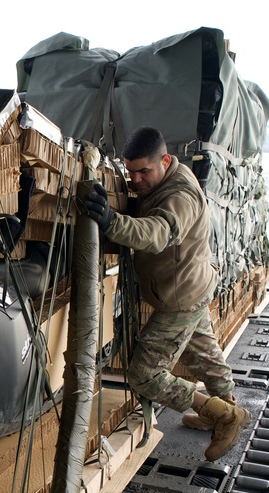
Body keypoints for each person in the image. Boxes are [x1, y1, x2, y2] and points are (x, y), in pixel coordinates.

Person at [83, 126, 250, 461]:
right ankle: (227, 411)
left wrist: (111, 221)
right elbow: (146, 210)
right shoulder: (163, 182)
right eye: (131, 172)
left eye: (144, 171)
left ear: (166, 160)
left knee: (145, 375)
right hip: (191, 286)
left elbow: (158, 233)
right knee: (204, 357)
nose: (136, 180)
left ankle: (223, 416)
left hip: (180, 298)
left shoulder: (180, 196)